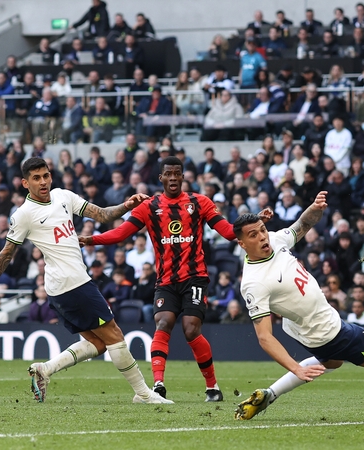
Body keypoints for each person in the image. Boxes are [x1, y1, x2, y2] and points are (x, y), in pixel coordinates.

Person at [0, 157, 171, 405]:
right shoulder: (24, 215)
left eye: (46, 175)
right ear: (25, 183)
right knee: (115, 335)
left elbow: (103, 215)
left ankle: (45, 369)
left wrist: (127, 204)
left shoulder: (64, 195)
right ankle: (143, 394)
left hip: (63, 288)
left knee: (98, 343)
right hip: (71, 284)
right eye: (36, 178)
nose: (43, 181)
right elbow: (6, 254)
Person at [232, 192, 364, 422]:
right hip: (327, 331)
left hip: (306, 328)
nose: (263, 238)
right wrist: (296, 367)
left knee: (331, 362)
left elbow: (303, 224)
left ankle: (270, 394)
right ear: (242, 243)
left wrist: (315, 207)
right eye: (253, 235)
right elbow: (264, 337)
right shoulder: (254, 283)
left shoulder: (275, 239)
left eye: (262, 230)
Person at [79, 156, 271, 402]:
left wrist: (255, 223)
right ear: (161, 178)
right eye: (168, 174)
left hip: (195, 278)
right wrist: (91, 239)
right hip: (166, 280)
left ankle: (212, 387)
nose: (172, 178)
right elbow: (121, 233)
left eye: (176, 174)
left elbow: (226, 231)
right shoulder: (149, 207)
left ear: (183, 177)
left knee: (191, 329)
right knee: (163, 323)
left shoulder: (198, 202)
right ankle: (158, 385)